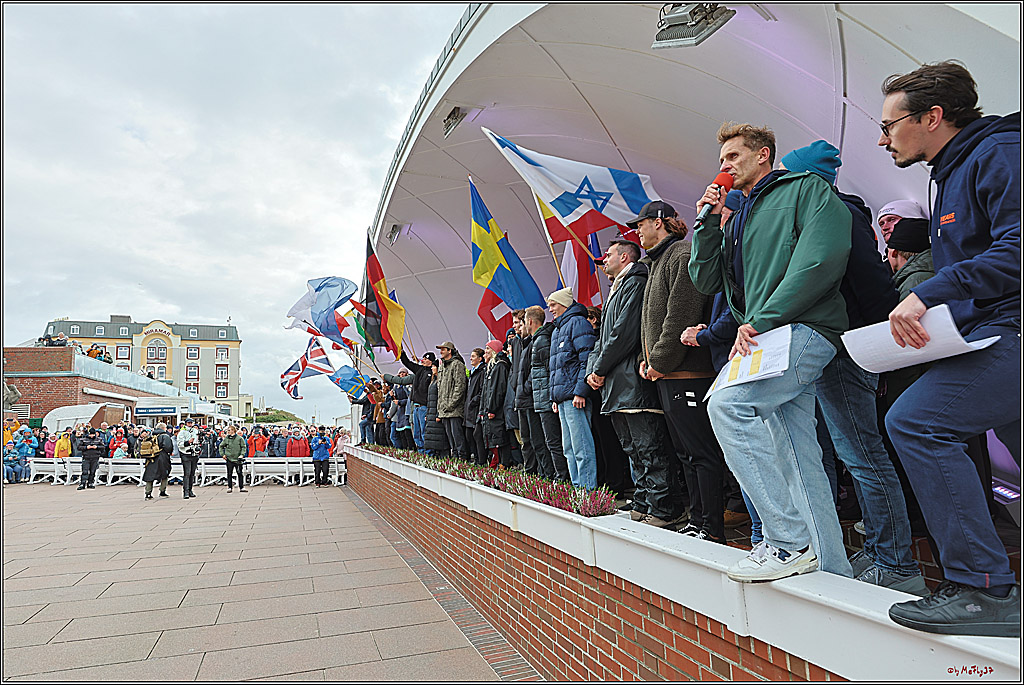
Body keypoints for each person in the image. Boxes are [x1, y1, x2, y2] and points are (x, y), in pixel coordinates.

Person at [877, 60, 1020, 636]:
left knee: (916, 423)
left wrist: (931, 291)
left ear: (933, 117)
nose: (883, 139)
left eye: (890, 125)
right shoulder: (949, 171)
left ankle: (983, 588)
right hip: (988, 332)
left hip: (1013, 331)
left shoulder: (999, 154)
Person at [690, 121, 853, 582]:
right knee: (797, 454)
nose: (724, 166)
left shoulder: (805, 189)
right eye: (721, 159)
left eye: (733, 157)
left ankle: (784, 541)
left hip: (800, 328)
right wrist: (705, 222)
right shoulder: (739, 214)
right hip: (769, 338)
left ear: (763, 155)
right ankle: (830, 569)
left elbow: (821, 259)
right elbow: (706, 281)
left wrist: (761, 320)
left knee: (727, 406)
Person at [778, 140, 927, 594]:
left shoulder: (840, 213)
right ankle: (882, 549)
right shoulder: (816, 213)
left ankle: (898, 563)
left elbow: (870, 280)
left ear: (808, 177)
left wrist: (868, 337)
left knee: (862, 453)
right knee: (853, 454)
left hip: (846, 346)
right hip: (831, 344)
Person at [587, 238, 688, 530]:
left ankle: (666, 508)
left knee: (649, 448)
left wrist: (600, 368)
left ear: (625, 256)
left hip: (632, 382)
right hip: (618, 385)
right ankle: (646, 501)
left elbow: (623, 334)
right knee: (633, 449)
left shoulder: (635, 282)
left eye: (607, 255)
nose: (603, 260)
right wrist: (593, 370)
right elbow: (604, 338)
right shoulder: (618, 287)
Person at [547, 287, 598, 489]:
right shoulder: (559, 328)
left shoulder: (577, 323)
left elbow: (587, 359)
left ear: (564, 304)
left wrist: (580, 391)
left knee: (581, 446)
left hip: (575, 397)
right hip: (563, 399)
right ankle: (578, 488)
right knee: (569, 448)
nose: (550, 309)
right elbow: (556, 367)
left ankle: (588, 491)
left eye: (553, 304)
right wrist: (555, 397)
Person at [527, 305, 570, 482]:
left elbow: (551, 370)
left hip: (547, 399)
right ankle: (557, 476)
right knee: (548, 441)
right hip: (542, 399)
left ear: (529, 321)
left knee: (553, 441)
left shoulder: (542, 340)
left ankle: (562, 478)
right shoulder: (538, 340)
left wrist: (552, 397)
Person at [480, 340, 513, 468]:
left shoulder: (500, 366)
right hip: (490, 411)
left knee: (501, 439)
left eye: (488, 349)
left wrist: (491, 409)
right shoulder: (492, 367)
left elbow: (498, 389)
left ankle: (503, 465)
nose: (485, 353)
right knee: (495, 439)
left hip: (497, 412)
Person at [435, 342, 468, 461]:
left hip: (454, 410)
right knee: (450, 438)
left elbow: (460, 386)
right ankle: (455, 458)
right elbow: (440, 388)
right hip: (444, 410)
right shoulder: (442, 366)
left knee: (457, 436)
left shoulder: (457, 364)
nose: (441, 351)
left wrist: (451, 404)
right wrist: (441, 407)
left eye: (443, 349)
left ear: (450, 350)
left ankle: (462, 458)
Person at [465, 347, 488, 465]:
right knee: (469, 436)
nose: (470, 358)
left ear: (480, 358)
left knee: (477, 436)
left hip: (476, 409)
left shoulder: (482, 371)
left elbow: (482, 390)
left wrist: (474, 401)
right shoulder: (473, 372)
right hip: (470, 409)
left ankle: (481, 461)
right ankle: (477, 459)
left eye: (473, 356)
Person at [422, 362, 448, 456]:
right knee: (433, 441)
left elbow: (442, 398)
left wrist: (438, 414)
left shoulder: (441, 381)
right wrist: (428, 414)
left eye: (434, 366)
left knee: (440, 441)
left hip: (437, 415)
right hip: (431, 414)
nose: (432, 368)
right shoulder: (433, 381)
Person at [142, 422, 174, 499]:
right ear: (164, 428)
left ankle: (148, 493)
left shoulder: (151, 435)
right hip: (162, 458)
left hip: (151, 458)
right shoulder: (165, 436)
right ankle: (162, 491)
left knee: (150, 475)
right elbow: (168, 448)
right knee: (164, 474)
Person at [219, 424, 248, 492]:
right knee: (229, 473)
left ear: (233, 430)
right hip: (229, 458)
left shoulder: (240, 438)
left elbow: (243, 447)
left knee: (240, 473)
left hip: (238, 459)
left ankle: (241, 487)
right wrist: (222, 454)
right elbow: (221, 446)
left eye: (229, 430)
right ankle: (229, 487)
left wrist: (242, 455)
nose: (228, 431)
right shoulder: (226, 438)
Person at [177, 418, 200, 499]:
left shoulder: (195, 431)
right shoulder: (182, 432)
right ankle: (185, 491)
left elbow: (197, 440)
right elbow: (180, 444)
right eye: (189, 423)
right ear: (186, 423)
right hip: (185, 453)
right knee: (187, 473)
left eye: (191, 423)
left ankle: (190, 490)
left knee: (192, 473)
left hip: (194, 454)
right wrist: (188, 442)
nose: (190, 424)